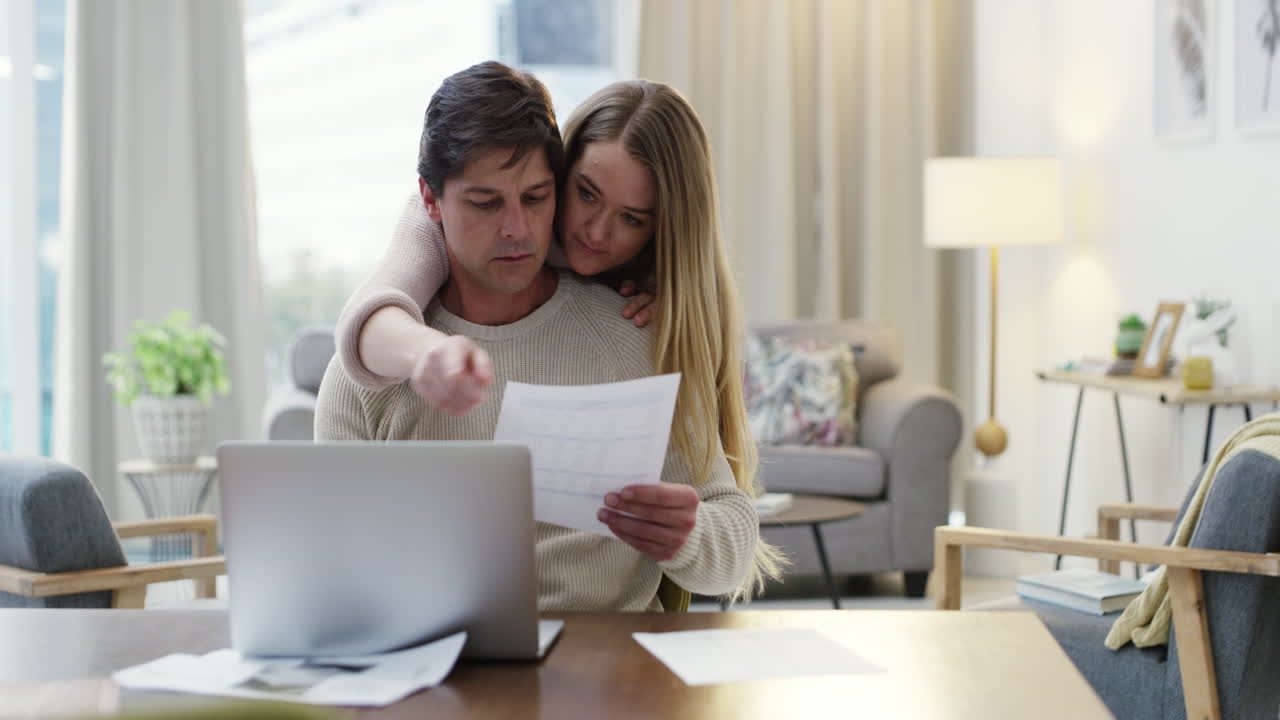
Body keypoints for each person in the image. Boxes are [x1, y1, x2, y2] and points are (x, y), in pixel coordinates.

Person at [326, 61, 783, 605]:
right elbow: (332, 573)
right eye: (485, 203)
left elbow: (730, 542)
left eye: (537, 197)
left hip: (603, 673)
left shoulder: (638, 334)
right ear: (430, 201)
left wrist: (688, 536)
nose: (517, 229)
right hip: (431, 668)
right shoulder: (371, 363)